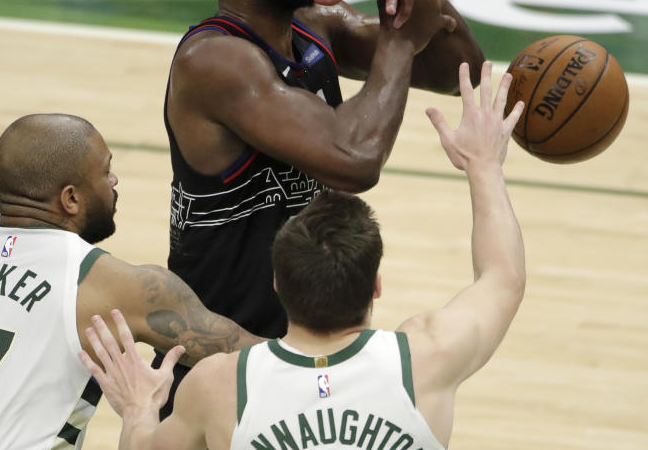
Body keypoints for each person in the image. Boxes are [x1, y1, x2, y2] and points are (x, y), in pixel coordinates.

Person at [160, 0, 485, 410]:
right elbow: (354, 159)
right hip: (219, 369)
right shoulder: (214, 60)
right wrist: (401, 41)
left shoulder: (317, 27)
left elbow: (463, 73)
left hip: (305, 357)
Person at [81, 61, 526, 450]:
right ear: (375, 285)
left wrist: (140, 409)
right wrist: (483, 163)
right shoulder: (428, 357)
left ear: (277, 283)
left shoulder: (220, 386)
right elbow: (503, 277)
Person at [0, 114, 261, 449]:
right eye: (106, 171)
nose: (115, 181)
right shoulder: (117, 285)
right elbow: (260, 363)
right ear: (70, 199)